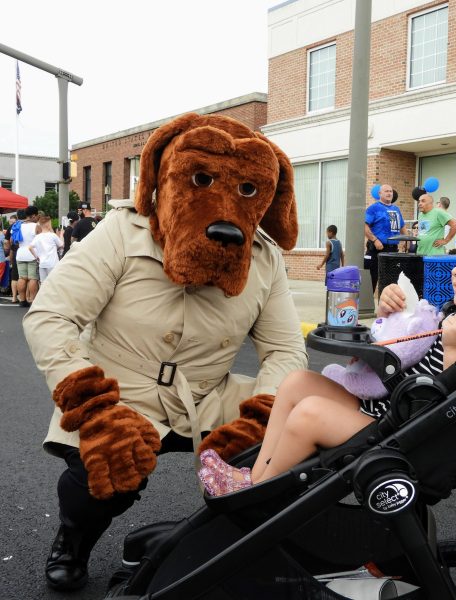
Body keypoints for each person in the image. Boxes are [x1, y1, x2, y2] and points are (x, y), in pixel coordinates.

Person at [23, 113, 307, 591]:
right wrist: (96, 408)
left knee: (282, 457)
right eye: (202, 179)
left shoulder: (265, 257)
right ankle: (74, 536)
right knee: (104, 478)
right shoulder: (122, 231)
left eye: (246, 190)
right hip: (121, 390)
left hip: (208, 394)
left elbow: (284, 349)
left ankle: (222, 553)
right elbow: (51, 316)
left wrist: (263, 414)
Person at [198, 211, 456, 496]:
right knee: (296, 383)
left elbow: (454, 407)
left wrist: (455, 350)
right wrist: (389, 312)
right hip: (379, 409)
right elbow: (400, 345)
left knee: (309, 413)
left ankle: (261, 491)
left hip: (399, 433)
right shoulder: (455, 314)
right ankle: (256, 474)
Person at [365, 183, 408, 292]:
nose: (389, 193)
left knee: (391, 280)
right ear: (380, 193)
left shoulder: (396, 209)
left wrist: (407, 241)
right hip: (377, 250)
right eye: (386, 191)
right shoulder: (373, 208)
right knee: (371, 280)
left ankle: (385, 302)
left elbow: (402, 226)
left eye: (391, 191)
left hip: (393, 250)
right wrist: (375, 240)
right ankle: (367, 302)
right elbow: (364, 226)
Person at [15, 205, 40, 307]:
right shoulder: (36, 226)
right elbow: (41, 240)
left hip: (20, 253)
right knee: (33, 278)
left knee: (22, 278)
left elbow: (13, 240)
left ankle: (22, 300)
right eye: (37, 215)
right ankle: (33, 300)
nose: (37, 217)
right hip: (32, 254)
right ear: (33, 215)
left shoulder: (18, 225)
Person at [28, 216, 64, 282]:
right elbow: (61, 245)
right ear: (48, 225)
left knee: (43, 283)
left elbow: (30, 247)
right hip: (52, 264)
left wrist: (36, 257)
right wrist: (61, 234)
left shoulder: (37, 237)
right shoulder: (52, 235)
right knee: (53, 282)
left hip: (42, 264)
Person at [4, 214, 19, 303]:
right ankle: (22, 296)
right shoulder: (20, 226)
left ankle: (14, 297)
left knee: (15, 276)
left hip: (14, 252)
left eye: (12, 222)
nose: (11, 224)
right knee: (22, 277)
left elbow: (6, 242)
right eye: (10, 222)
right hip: (20, 252)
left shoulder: (11, 228)